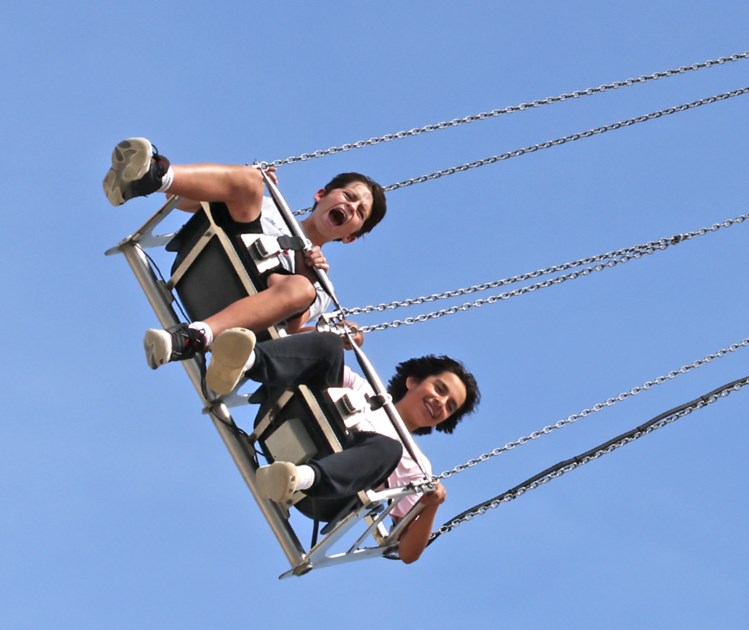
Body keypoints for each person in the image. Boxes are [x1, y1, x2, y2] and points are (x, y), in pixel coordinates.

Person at [102, 137, 387, 367]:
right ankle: (152, 176)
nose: (351, 207)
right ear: (321, 195)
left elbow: (290, 331)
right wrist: (244, 182)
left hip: (241, 314)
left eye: (359, 212)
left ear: (350, 236)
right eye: (348, 197)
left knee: (302, 288)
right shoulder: (268, 205)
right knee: (251, 181)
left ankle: (192, 338)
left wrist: (309, 276)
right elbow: (181, 202)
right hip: (209, 260)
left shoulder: (320, 281)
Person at [205, 327, 480, 564]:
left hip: (317, 493)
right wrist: (340, 337)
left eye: (450, 407)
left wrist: (431, 505)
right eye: (440, 389)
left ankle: (296, 477)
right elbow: (305, 355)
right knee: (329, 345)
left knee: (389, 450)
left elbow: (407, 552)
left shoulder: (416, 464)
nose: (440, 403)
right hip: (287, 423)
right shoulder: (365, 389)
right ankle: (245, 361)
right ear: (413, 381)